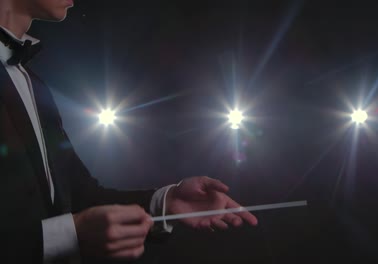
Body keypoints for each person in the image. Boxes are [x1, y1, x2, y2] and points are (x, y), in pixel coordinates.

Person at [0, 0, 258, 263]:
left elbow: (78, 197)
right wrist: (69, 234)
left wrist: (166, 204)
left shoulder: (33, 84)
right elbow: (72, 224)